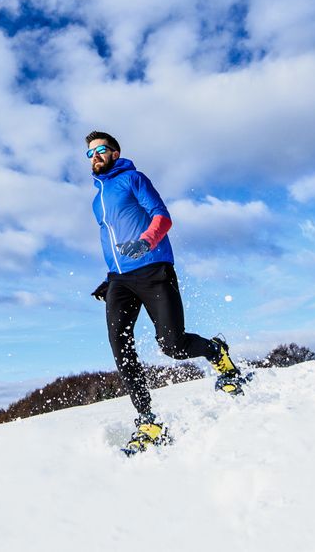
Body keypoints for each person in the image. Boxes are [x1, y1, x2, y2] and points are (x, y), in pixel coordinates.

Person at [85, 130, 246, 454]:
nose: (95, 156)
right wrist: (110, 277)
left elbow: (162, 216)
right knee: (120, 344)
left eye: (100, 150)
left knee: (172, 345)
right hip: (120, 280)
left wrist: (145, 242)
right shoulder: (96, 200)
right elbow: (112, 241)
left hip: (154, 269)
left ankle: (217, 353)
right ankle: (147, 420)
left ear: (115, 153)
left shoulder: (134, 179)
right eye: (90, 153)